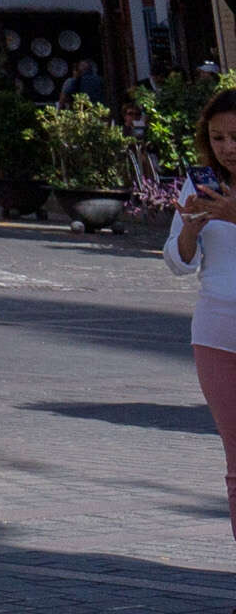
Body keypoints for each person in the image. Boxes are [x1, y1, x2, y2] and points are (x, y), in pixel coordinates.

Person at [167, 91, 236, 544]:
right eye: (217, 138)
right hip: (216, 334)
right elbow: (178, 261)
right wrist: (190, 232)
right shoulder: (202, 185)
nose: (227, 147)